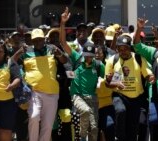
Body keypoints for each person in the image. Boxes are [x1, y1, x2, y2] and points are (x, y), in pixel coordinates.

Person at [13, 28, 67, 141]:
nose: (38, 42)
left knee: (47, 125)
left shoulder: (52, 49)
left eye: (40, 39)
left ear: (44, 39)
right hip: (34, 92)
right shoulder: (26, 51)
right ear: (31, 41)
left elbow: (65, 61)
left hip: (52, 92)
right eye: (35, 40)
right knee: (34, 117)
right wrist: (18, 53)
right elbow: (11, 62)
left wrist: (60, 53)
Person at [60, 7, 105, 141]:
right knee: (83, 114)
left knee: (94, 128)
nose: (88, 57)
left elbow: (109, 76)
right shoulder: (77, 57)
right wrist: (62, 23)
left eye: (90, 55)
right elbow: (62, 42)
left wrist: (117, 81)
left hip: (93, 97)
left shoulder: (98, 64)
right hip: (77, 96)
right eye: (86, 55)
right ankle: (81, 137)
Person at [105, 35, 153, 141]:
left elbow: (147, 74)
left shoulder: (139, 58)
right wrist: (114, 83)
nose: (123, 51)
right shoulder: (112, 61)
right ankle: (119, 137)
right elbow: (107, 84)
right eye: (120, 49)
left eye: (126, 48)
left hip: (136, 99)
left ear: (130, 48)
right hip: (119, 96)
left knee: (133, 128)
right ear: (117, 49)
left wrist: (151, 78)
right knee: (120, 111)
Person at [134, 17, 158, 140]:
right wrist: (139, 28)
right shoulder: (154, 53)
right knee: (155, 130)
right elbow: (137, 46)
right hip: (156, 103)